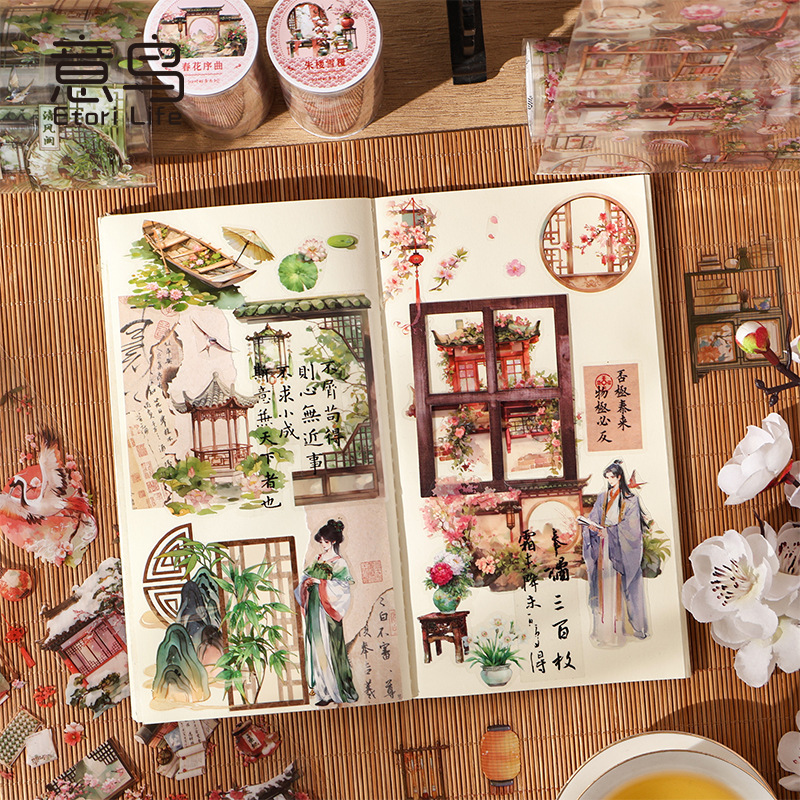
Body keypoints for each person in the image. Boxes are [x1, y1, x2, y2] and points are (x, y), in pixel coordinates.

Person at [580, 460, 648, 644]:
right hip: (603, 548)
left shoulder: (630, 499)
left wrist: (609, 532)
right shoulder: (602, 498)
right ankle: (604, 629)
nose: (609, 480)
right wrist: (591, 527)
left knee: (621, 586)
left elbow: (632, 527)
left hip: (619, 549)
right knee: (604, 586)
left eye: (612, 477)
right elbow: (594, 517)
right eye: (607, 477)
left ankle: (625, 628)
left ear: (619, 477)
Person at [295, 519, 359, 706]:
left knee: (329, 648)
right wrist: (306, 583)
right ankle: (323, 692)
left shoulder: (340, 563)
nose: (322, 545)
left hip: (328, 610)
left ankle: (335, 690)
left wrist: (320, 582)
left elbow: (342, 588)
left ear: (333, 542)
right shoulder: (318, 559)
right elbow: (305, 577)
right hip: (314, 606)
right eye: (321, 541)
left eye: (325, 541)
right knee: (317, 648)